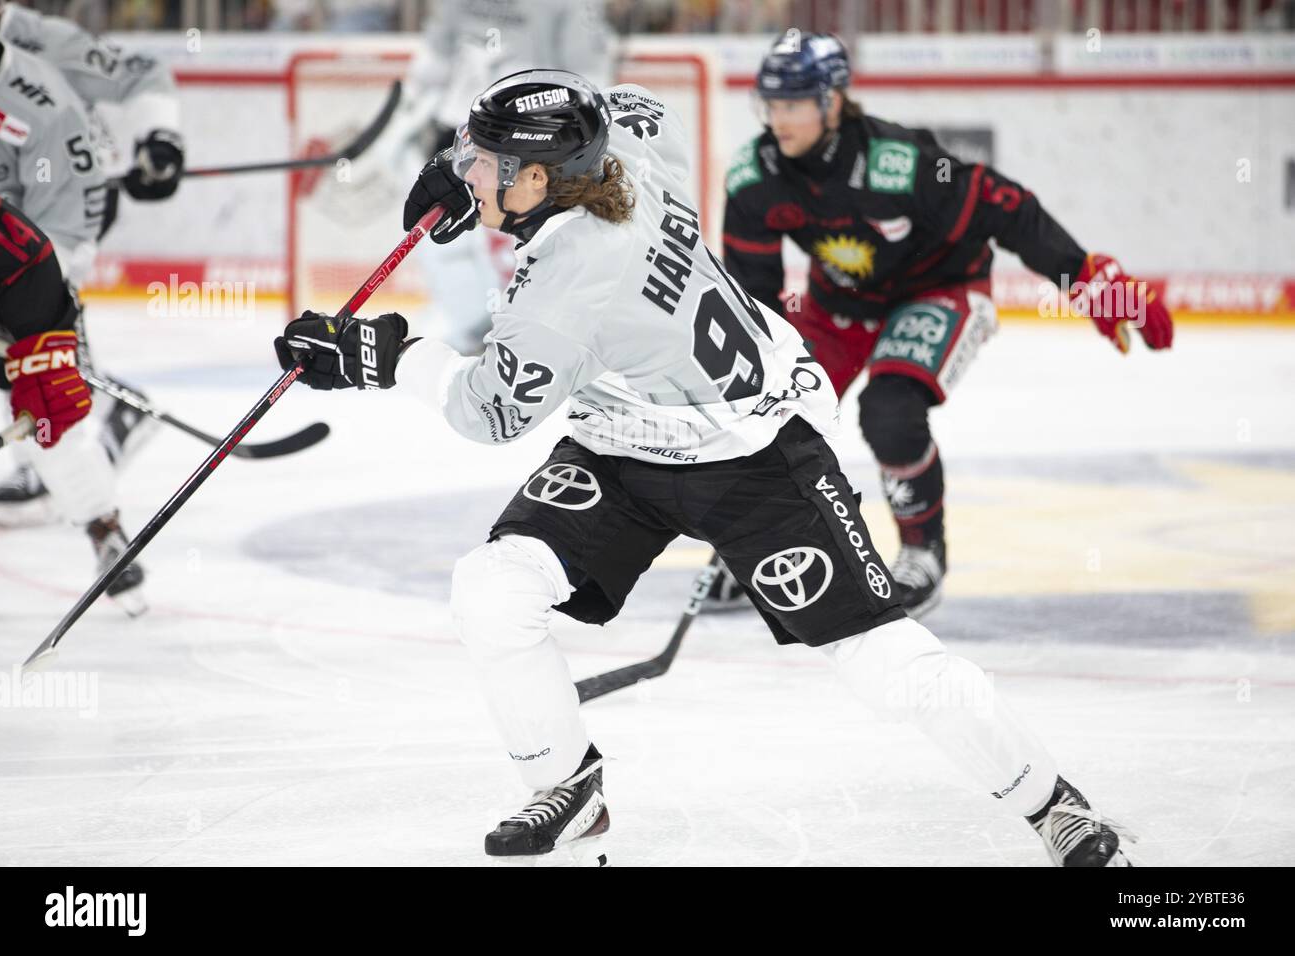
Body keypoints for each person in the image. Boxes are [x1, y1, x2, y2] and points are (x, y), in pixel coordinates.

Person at [275, 68, 1132, 867]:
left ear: (538, 180)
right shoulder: (627, 152)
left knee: (883, 661)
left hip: (754, 456)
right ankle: (566, 789)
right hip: (627, 441)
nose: (469, 171)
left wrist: (377, 356)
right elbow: (629, 102)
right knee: (491, 589)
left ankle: (1053, 804)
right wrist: (474, 166)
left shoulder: (566, 290)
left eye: (485, 162)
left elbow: (488, 411)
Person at [720, 31, 1174, 617]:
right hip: (838, 307)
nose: (777, 119)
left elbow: (1003, 205)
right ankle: (776, 551)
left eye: (792, 103)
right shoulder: (754, 177)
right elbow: (756, 296)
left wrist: (1082, 276)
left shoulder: (898, 163)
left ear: (832, 101)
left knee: (890, 411)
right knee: (768, 414)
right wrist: (765, 379)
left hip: (940, 290)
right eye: (770, 104)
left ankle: (921, 554)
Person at [0, 1, 184, 523]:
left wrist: (159, 141)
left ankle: (71, 439)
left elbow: (142, 75)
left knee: (29, 327)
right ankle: (79, 427)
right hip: (15, 209)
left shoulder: (36, 42)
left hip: (61, 205)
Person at [370, 0, 615, 353]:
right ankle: (470, 327)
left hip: (531, 140)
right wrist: (409, 115)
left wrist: (579, 139)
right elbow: (437, 52)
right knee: (448, 236)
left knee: (525, 235)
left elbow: (589, 74)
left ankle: (524, 329)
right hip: (458, 127)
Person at [0, 32, 145, 610]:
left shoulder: (41, 105)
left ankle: (104, 530)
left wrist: (36, 335)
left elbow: (62, 238)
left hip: (26, 270)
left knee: (47, 414)